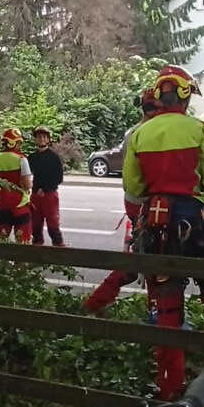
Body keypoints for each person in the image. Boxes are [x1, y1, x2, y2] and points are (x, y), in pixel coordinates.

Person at [122, 65, 204, 401]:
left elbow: (133, 187)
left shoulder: (141, 134)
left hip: (156, 226)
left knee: (167, 306)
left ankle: (170, 385)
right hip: (194, 223)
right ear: (184, 96)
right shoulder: (198, 130)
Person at [83, 89, 160, 315]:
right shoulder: (148, 132)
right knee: (153, 261)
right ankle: (156, 315)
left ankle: (95, 303)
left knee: (143, 258)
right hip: (148, 203)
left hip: (136, 202)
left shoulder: (132, 133)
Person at [0, 128, 33, 243]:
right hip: (20, 206)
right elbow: (27, 185)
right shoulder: (21, 160)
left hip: (2, 206)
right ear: (14, 143)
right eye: (19, 143)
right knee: (22, 241)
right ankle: (21, 261)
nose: (20, 146)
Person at [28, 125, 67, 247]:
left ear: (48, 139)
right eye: (39, 137)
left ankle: (58, 245)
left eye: (44, 137)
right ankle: (37, 247)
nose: (41, 139)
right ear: (35, 139)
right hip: (35, 196)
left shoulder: (53, 157)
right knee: (35, 223)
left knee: (53, 222)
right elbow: (26, 174)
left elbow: (59, 178)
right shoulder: (32, 157)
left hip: (49, 195)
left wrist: (44, 189)